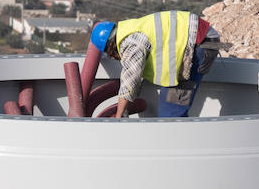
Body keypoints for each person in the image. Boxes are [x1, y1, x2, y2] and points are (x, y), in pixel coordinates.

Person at [90, 11, 220, 118]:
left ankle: (176, 146)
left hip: (199, 43)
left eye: (109, 54)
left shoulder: (129, 43)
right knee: (169, 103)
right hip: (200, 39)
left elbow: (131, 80)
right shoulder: (129, 30)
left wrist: (119, 116)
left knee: (171, 111)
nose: (112, 58)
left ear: (110, 47)